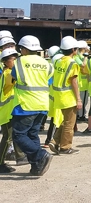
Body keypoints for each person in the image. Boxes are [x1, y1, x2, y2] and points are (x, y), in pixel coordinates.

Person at [10, 35, 53, 176]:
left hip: (26, 104)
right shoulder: (46, 63)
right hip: (42, 104)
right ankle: (36, 167)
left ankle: (40, 155)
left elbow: (14, 77)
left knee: (18, 135)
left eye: (21, 48)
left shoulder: (19, 62)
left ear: (24, 49)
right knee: (32, 134)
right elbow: (49, 81)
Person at [48, 36, 82, 155]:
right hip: (68, 97)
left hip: (58, 96)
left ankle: (55, 141)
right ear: (73, 49)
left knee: (66, 121)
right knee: (70, 124)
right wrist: (78, 99)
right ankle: (65, 147)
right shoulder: (72, 63)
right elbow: (74, 82)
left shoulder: (58, 61)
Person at [0, 48, 26, 173]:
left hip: (9, 111)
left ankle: (20, 156)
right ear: (5, 61)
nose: (16, 60)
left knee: (11, 135)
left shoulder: (7, 72)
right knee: (7, 137)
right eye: (13, 58)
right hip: (5, 112)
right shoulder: (8, 74)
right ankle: (0, 163)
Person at [75, 41, 90, 122]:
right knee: (83, 101)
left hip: (85, 82)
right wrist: (86, 56)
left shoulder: (81, 56)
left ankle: (80, 114)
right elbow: (83, 65)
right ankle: (81, 115)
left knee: (85, 100)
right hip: (80, 82)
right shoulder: (77, 57)